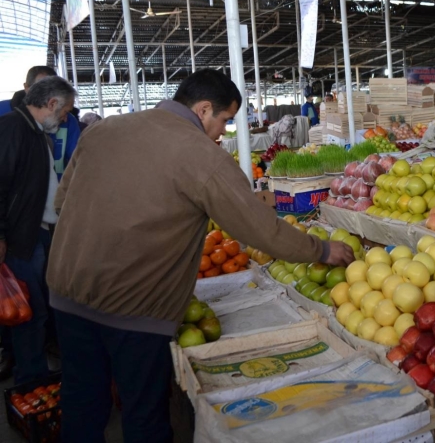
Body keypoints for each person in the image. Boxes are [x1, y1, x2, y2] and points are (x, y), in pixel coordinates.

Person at [46, 69, 354, 443]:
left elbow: (62, 202)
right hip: (133, 307)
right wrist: (321, 249)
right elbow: (258, 228)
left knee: (82, 400)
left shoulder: (102, 131)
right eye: (224, 120)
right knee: (144, 414)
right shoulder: (201, 155)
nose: (223, 132)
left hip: (66, 291)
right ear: (204, 109)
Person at [0, 76, 77, 385]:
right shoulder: (12, 129)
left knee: (40, 308)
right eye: (64, 112)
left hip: (38, 232)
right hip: (21, 238)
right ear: (51, 104)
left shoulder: (34, 131)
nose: (64, 119)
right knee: (28, 312)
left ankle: (36, 373)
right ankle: (31, 380)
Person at [0, 66, 81, 181]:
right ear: (27, 88)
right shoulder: (8, 122)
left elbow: (77, 160)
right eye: (42, 88)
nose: (48, 95)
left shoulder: (68, 121)